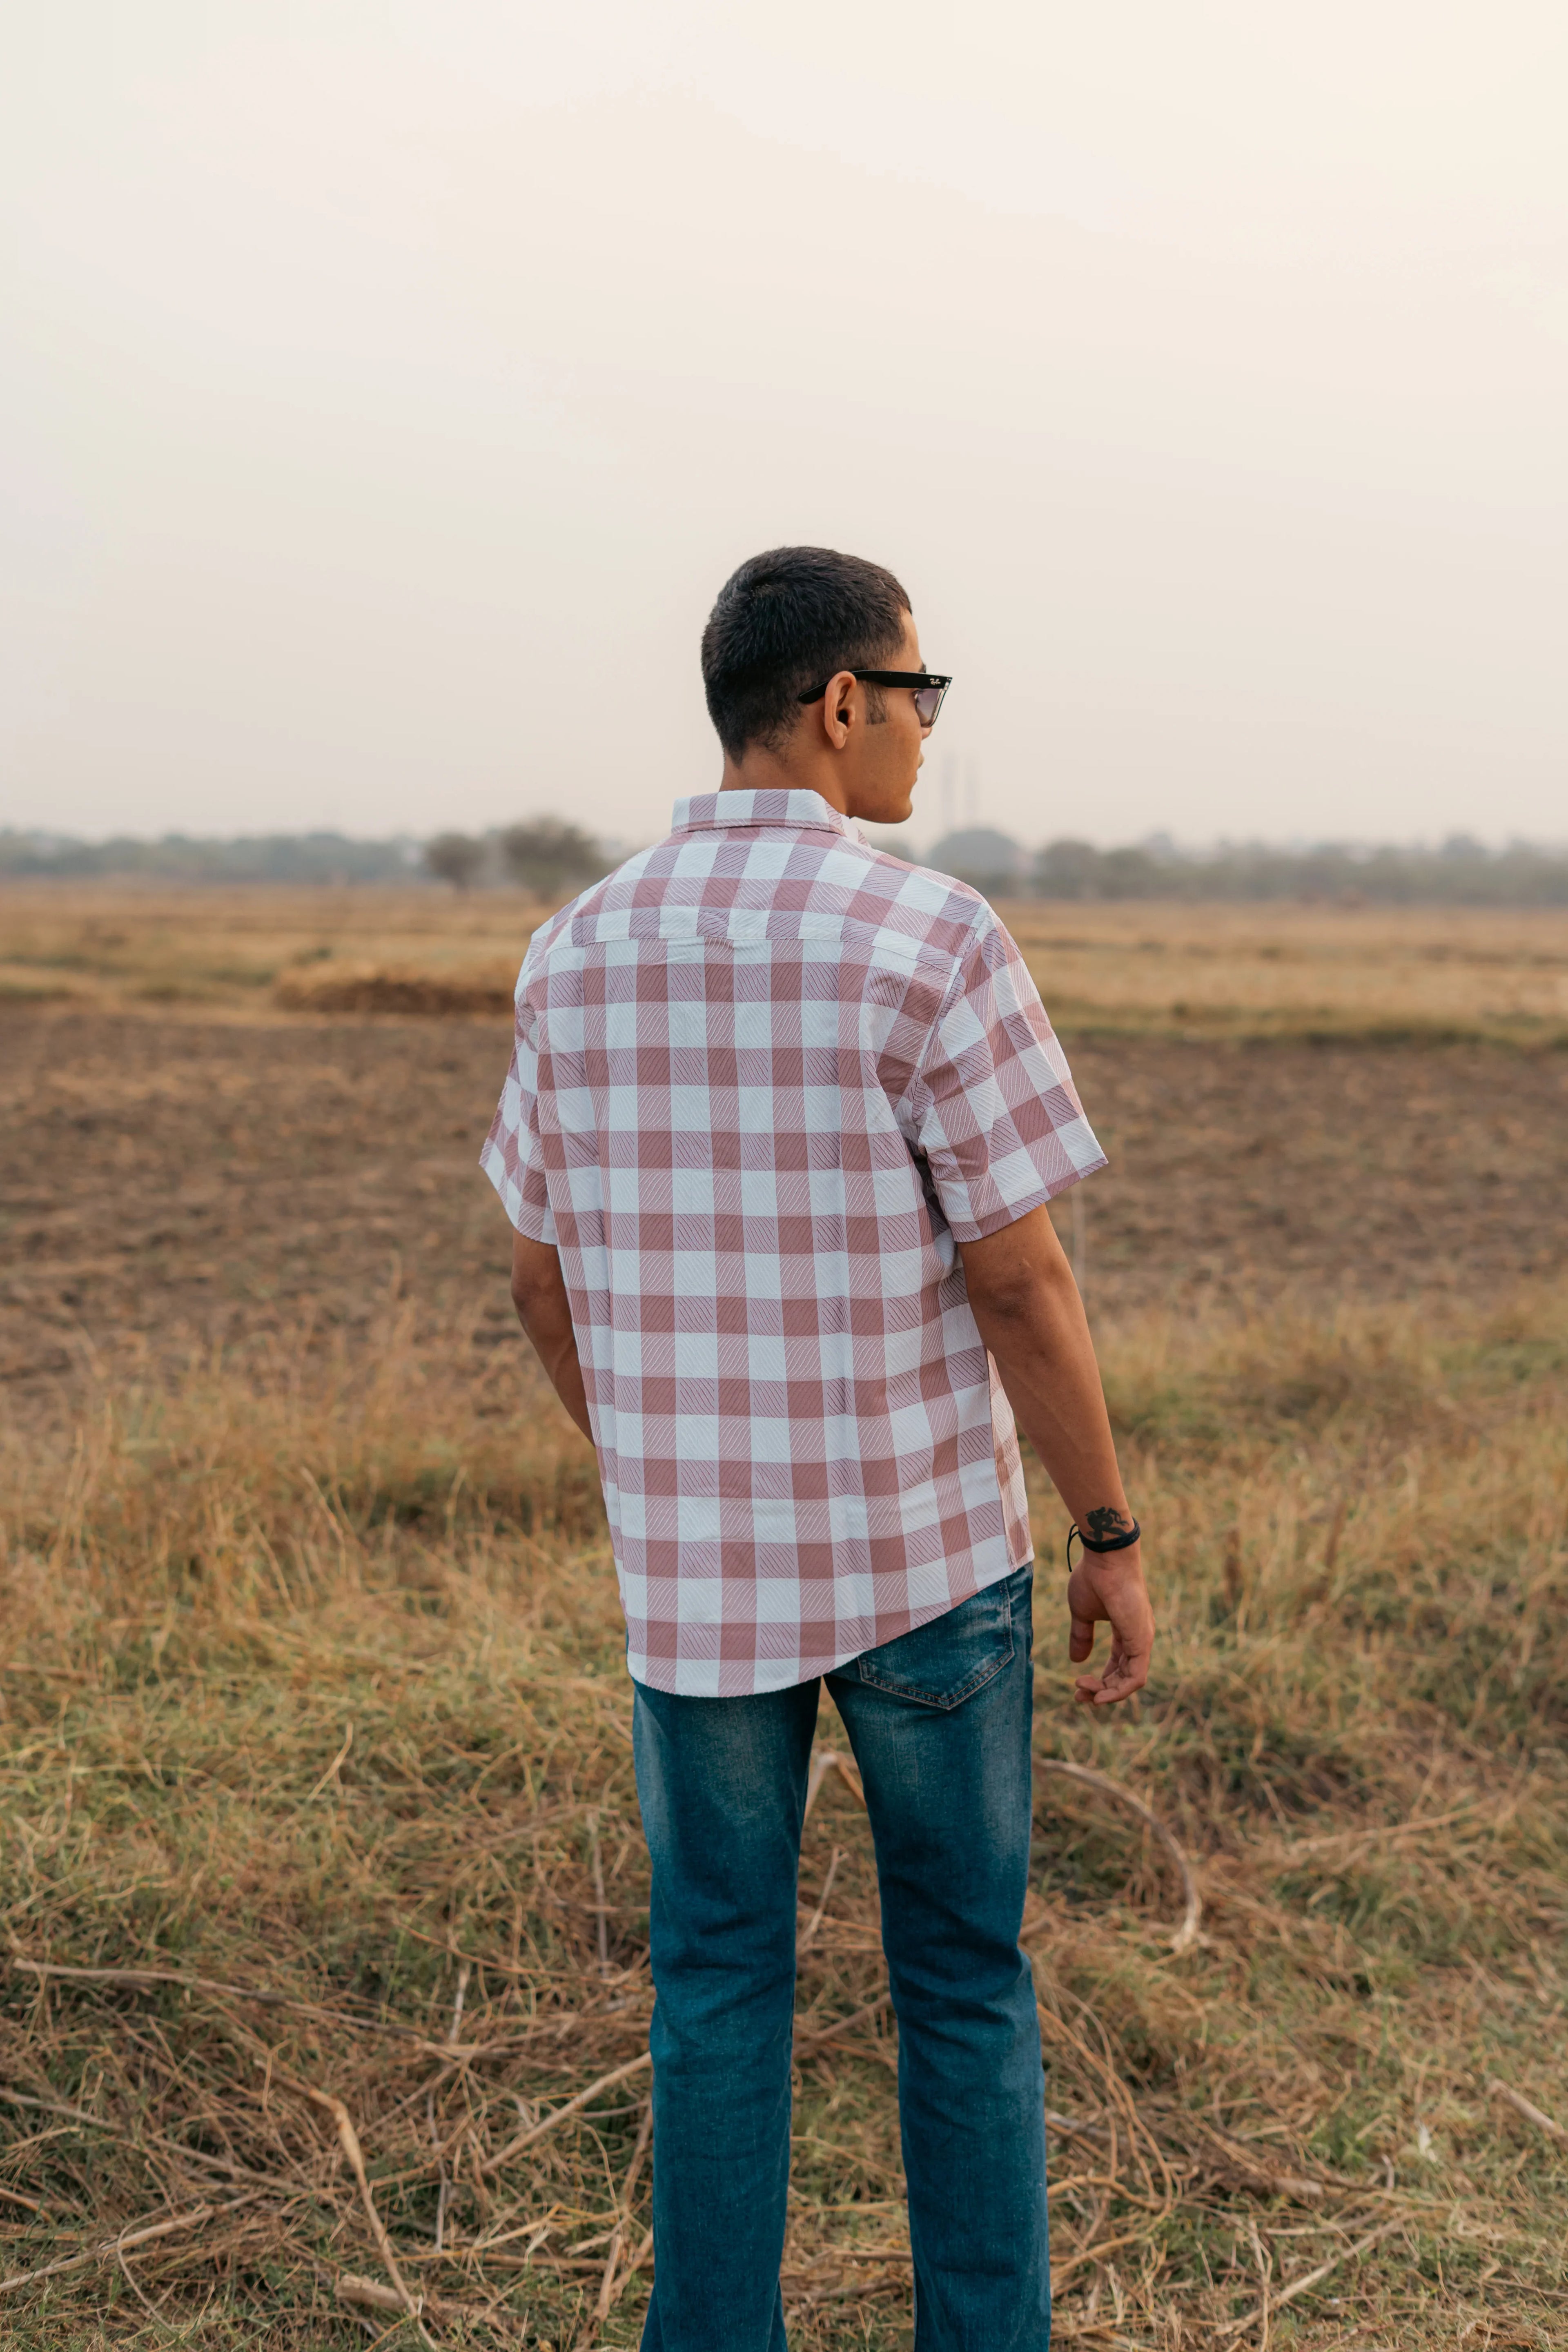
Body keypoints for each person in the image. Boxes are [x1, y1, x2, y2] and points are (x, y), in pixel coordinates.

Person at [483, 546, 1155, 2351]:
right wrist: (1107, 1525)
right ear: (842, 705)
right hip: (924, 1565)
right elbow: (1021, 1279)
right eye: (921, 694)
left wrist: (661, 1462)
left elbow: (541, 1286)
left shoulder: (576, 949)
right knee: (960, 1982)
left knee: (711, 1987)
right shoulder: (931, 933)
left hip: (696, 1586)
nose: (930, 733)